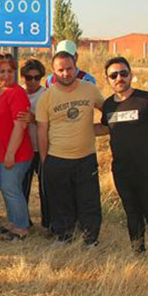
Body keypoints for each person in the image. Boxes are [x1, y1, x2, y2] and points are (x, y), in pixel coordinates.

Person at [99, 57, 148, 252]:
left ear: (130, 74)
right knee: (132, 215)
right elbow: (105, 129)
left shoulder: (147, 100)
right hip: (123, 172)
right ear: (108, 79)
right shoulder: (108, 106)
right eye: (114, 75)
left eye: (123, 73)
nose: (119, 78)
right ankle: (138, 255)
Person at [36, 51, 105, 246]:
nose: (65, 73)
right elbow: (42, 130)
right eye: (61, 70)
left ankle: (91, 240)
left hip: (86, 157)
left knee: (89, 201)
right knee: (60, 201)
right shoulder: (47, 97)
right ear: (54, 72)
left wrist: (103, 129)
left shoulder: (90, 89)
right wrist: (44, 159)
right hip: (57, 158)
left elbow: (107, 110)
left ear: (76, 68)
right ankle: (64, 236)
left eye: (69, 68)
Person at [0, 53, 34, 241]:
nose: (6, 75)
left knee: (11, 188)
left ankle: (21, 228)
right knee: (4, 187)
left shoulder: (17, 93)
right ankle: (12, 221)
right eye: (2, 71)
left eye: (10, 71)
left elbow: (20, 125)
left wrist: (10, 153)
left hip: (16, 152)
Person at [20, 58, 47, 228]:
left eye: (37, 77)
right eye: (29, 77)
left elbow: (51, 122)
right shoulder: (18, 92)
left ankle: (49, 222)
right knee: (22, 187)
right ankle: (23, 221)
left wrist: (33, 119)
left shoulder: (46, 95)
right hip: (24, 148)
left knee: (46, 188)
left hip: (42, 147)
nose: (33, 81)